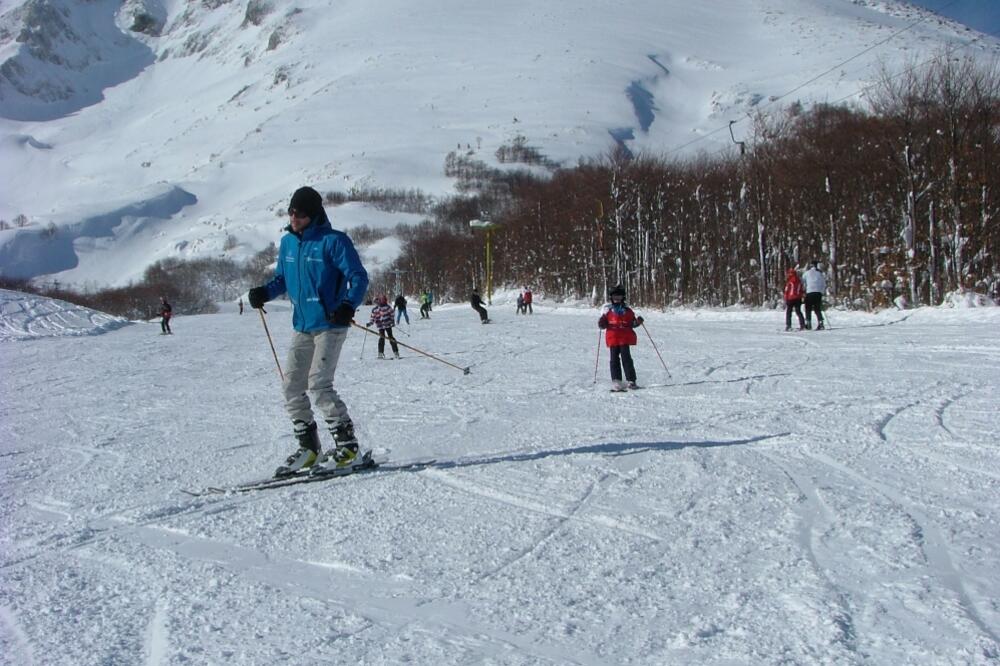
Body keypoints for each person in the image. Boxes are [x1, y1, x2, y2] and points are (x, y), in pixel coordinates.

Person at [247, 186, 369, 477]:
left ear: (312, 215)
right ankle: (309, 448)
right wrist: (264, 291)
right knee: (291, 386)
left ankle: (348, 447)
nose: (294, 217)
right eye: (290, 212)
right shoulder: (288, 243)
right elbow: (282, 279)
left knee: (319, 384)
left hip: (330, 323)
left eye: (299, 213)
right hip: (302, 325)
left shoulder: (334, 241)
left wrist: (348, 305)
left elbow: (358, 277)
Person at [598, 285, 643, 391]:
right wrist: (602, 323)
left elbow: (632, 324)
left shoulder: (627, 311)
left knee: (626, 358)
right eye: (615, 297)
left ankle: (631, 380)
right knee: (614, 359)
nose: (617, 299)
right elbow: (603, 323)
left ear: (623, 297)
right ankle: (616, 380)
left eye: (619, 296)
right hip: (613, 337)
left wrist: (638, 322)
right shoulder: (607, 310)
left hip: (624, 338)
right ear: (611, 298)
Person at [369, 295, 400, 359]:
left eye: (383, 301)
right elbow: (373, 317)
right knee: (381, 338)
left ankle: (396, 352)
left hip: (387, 325)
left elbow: (392, 314)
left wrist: (392, 321)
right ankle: (380, 353)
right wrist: (370, 323)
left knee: (390, 337)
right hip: (380, 326)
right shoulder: (375, 309)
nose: (380, 302)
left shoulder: (387, 307)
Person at [803, 261, 827, 330]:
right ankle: (821, 323)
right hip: (818, 293)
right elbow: (823, 284)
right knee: (817, 309)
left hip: (809, 292)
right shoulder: (820, 273)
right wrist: (821, 292)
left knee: (808, 308)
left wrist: (804, 291)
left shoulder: (806, 273)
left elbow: (803, 282)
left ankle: (808, 323)